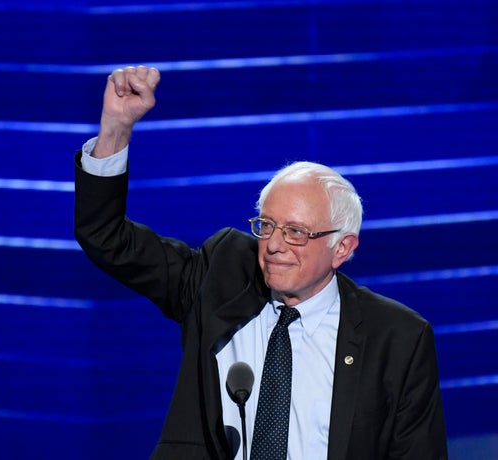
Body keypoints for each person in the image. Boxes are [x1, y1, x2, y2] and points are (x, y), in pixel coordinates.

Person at [73, 65, 447, 460]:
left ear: (342, 248)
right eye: (266, 225)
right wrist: (116, 127)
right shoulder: (220, 276)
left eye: (297, 232)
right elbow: (106, 236)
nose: (274, 245)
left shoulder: (397, 337)